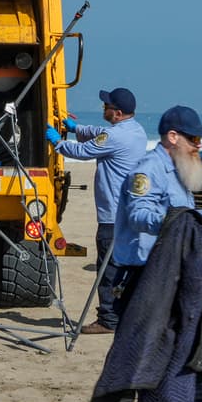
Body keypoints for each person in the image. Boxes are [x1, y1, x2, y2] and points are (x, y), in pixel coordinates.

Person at [91, 105, 202, 402]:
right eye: (193, 138)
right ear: (172, 137)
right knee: (135, 350)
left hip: (176, 273)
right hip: (144, 275)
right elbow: (140, 214)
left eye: (200, 139)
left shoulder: (178, 170)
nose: (198, 146)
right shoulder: (147, 170)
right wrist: (194, 220)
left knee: (195, 340)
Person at [46, 87, 147, 334]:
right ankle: (123, 315)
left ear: (118, 113)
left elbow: (82, 151)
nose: (103, 108)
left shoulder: (115, 137)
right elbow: (98, 134)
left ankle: (108, 320)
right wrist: (74, 128)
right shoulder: (136, 130)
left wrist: (57, 141)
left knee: (108, 269)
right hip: (128, 213)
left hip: (113, 216)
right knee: (125, 268)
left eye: (107, 106)